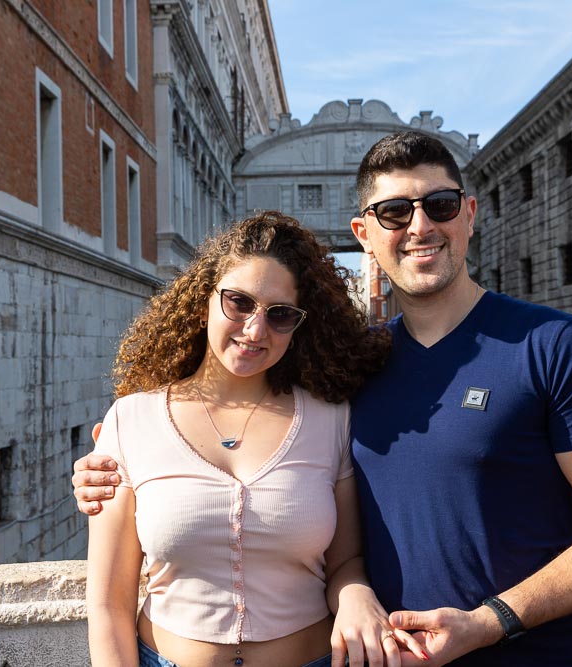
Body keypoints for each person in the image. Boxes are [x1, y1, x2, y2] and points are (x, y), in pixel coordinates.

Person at [75, 132, 572, 666]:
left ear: (469, 214)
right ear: (364, 234)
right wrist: (103, 467)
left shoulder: (556, 346)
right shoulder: (358, 369)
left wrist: (489, 623)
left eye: (440, 205)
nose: (419, 227)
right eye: (393, 212)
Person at [84, 211, 425, 667]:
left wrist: (356, 593)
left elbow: (345, 562)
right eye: (239, 302)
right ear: (204, 298)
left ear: (300, 324)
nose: (254, 330)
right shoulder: (130, 420)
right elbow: (108, 602)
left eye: (280, 315)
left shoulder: (331, 419)